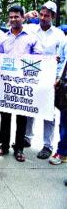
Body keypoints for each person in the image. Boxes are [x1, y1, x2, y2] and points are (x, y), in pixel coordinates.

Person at [0, 5, 42, 162]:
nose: (13, 19)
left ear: (23, 17)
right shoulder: (3, 38)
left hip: (23, 85)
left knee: (22, 117)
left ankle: (19, 148)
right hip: (7, 84)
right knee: (5, 116)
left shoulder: (32, 37)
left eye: (16, 16)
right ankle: (4, 145)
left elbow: (39, 59)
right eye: (11, 17)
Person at [23, 1, 65, 159]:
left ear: (53, 17)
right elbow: (11, 27)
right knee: (29, 107)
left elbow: (63, 59)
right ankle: (27, 137)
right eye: (41, 14)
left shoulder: (59, 35)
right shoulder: (31, 29)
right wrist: (26, 16)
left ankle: (47, 145)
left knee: (48, 112)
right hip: (32, 76)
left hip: (50, 79)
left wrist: (58, 78)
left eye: (47, 15)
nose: (43, 17)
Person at [50, 34, 67, 165]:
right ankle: (63, 151)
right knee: (64, 122)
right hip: (64, 85)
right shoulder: (64, 40)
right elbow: (62, 61)